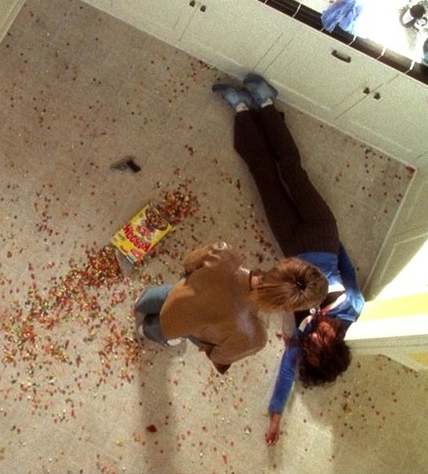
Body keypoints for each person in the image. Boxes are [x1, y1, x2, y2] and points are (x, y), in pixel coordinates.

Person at [211, 74, 366, 446]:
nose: (314, 339)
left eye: (309, 349)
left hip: (292, 244)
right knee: (292, 170)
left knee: (265, 177)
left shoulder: (302, 335)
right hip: (322, 233)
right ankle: (265, 102)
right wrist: (333, 241)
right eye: (321, 343)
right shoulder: (353, 309)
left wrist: (276, 412)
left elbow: (286, 371)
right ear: (334, 343)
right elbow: (348, 268)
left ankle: (241, 109)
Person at [134, 241, 327, 374]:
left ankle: (141, 303)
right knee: (166, 329)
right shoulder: (254, 338)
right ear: (288, 308)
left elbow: (190, 262)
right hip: (188, 328)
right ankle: (146, 330)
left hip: (179, 295)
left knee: (163, 297)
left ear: (282, 265)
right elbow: (218, 355)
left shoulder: (224, 254)